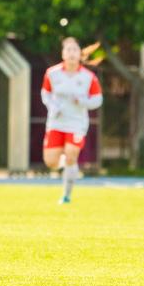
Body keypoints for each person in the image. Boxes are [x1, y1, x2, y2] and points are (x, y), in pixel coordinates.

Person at [41, 37, 103, 204]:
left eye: (74, 50)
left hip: (76, 124)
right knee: (51, 162)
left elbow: (97, 100)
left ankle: (66, 196)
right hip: (56, 122)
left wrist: (82, 101)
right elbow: (45, 94)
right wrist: (53, 106)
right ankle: (69, 166)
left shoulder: (88, 77)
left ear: (79, 53)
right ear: (63, 54)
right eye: (68, 50)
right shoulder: (52, 73)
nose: (71, 53)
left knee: (71, 155)